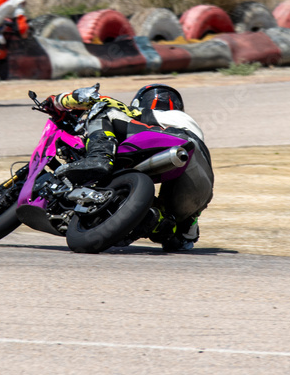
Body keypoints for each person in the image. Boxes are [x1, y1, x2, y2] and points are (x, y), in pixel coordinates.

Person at [41, 83, 213, 251]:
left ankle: (99, 157)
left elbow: (101, 100)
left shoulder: (151, 115)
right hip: (204, 185)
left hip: (175, 141)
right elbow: (187, 240)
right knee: (173, 226)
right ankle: (155, 220)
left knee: (103, 110)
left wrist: (58, 101)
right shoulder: (189, 124)